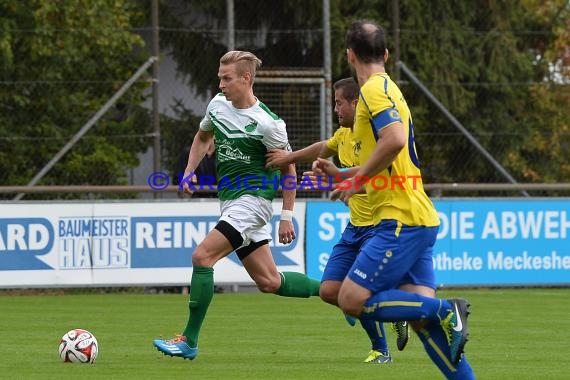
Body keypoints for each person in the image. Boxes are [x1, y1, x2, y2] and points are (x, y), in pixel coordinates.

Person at [312, 21, 475, 379]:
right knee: (418, 318)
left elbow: (396, 139)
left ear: (349, 55)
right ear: (386, 54)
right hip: (418, 216)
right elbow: (390, 154)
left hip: (400, 217)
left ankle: (448, 310)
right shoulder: (391, 88)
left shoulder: (371, 89)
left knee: (350, 300)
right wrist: (346, 175)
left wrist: (358, 179)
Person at [153, 50, 321, 360]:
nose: (220, 85)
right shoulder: (217, 107)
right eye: (219, 77)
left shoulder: (269, 124)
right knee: (270, 282)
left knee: (202, 257)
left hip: (253, 202)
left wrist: (286, 216)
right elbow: (203, 137)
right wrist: (189, 172)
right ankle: (339, 293)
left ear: (246, 79)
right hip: (231, 205)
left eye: (226, 79)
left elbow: (289, 169)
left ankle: (188, 340)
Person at [266, 77, 409, 363]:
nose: (335, 109)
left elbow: (376, 166)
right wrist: (288, 157)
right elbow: (321, 147)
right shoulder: (343, 136)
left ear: (356, 103)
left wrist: (338, 175)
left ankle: (381, 349)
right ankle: (395, 310)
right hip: (355, 229)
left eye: (339, 103)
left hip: (380, 227)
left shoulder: (374, 134)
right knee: (330, 291)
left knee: (356, 292)